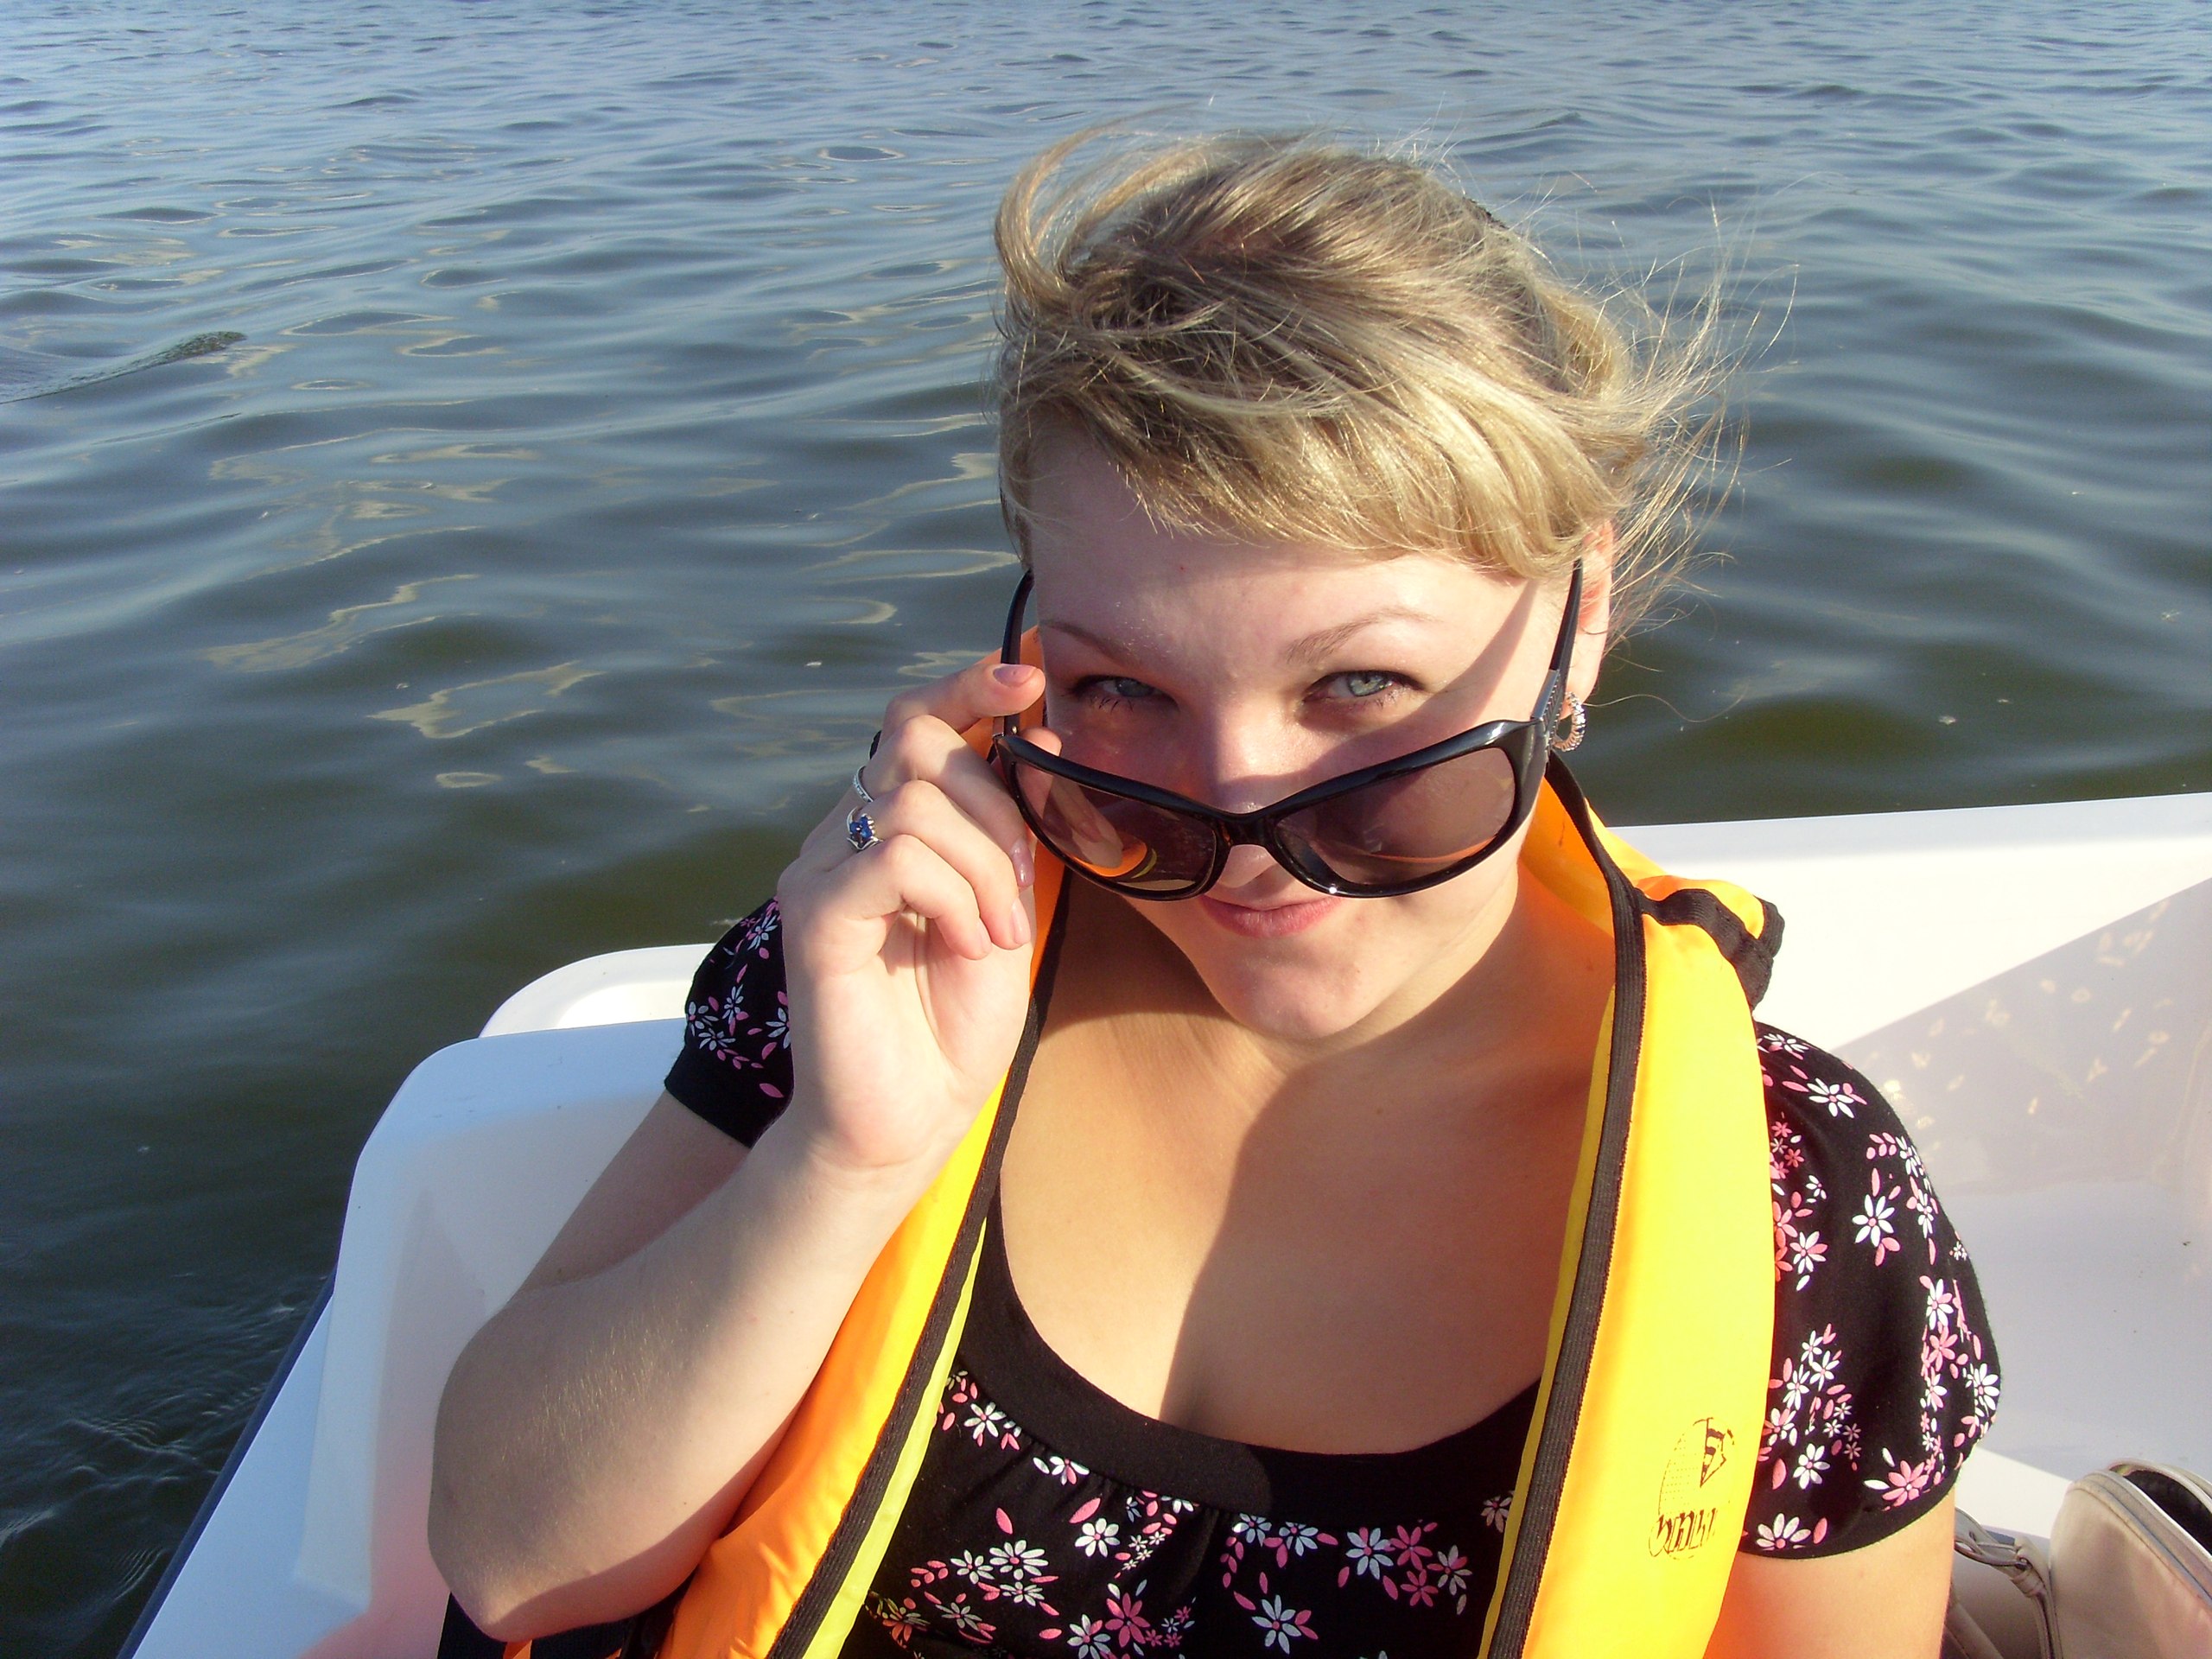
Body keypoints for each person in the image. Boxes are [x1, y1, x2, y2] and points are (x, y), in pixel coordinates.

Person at [427, 132, 2000, 1659]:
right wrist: (841, 1163)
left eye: (1360, 685)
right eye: (1122, 689)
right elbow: (512, 1565)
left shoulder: (1805, 1213)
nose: (1239, 820)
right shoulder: (881, 981)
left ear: (1580, 612)